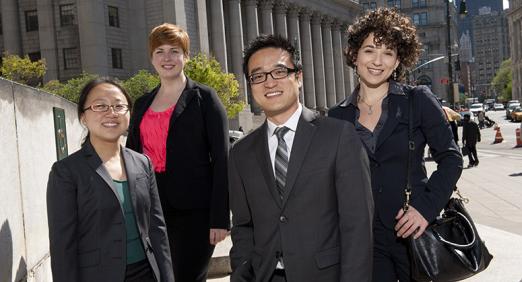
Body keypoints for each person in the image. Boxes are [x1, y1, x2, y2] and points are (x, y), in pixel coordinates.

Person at [328, 8, 463, 282]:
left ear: (398, 59)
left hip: (414, 234)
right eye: (369, 50)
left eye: (388, 52)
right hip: (365, 242)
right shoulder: (337, 116)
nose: (378, 61)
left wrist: (425, 209)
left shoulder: (418, 100)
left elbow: (451, 158)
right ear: (354, 55)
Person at [229, 34, 374, 282]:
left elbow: (357, 225)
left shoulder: (338, 136)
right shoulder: (241, 152)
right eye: (258, 76)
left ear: (298, 77)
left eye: (279, 72)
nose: (269, 83)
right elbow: (243, 226)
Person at [126, 23, 230, 282]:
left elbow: (221, 160)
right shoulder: (142, 104)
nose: (167, 58)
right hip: (151, 210)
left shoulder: (205, 98)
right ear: (151, 58)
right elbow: (130, 159)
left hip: (195, 213)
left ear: (186, 56)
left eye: (174, 50)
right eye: (159, 51)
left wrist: (220, 218)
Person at [47, 78, 174, 282]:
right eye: (100, 106)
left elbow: (157, 229)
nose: (111, 112)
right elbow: (63, 247)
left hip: (146, 274)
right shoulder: (66, 172)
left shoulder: (142, 163)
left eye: (118, 105)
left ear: (129, 114)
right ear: (83, 117)